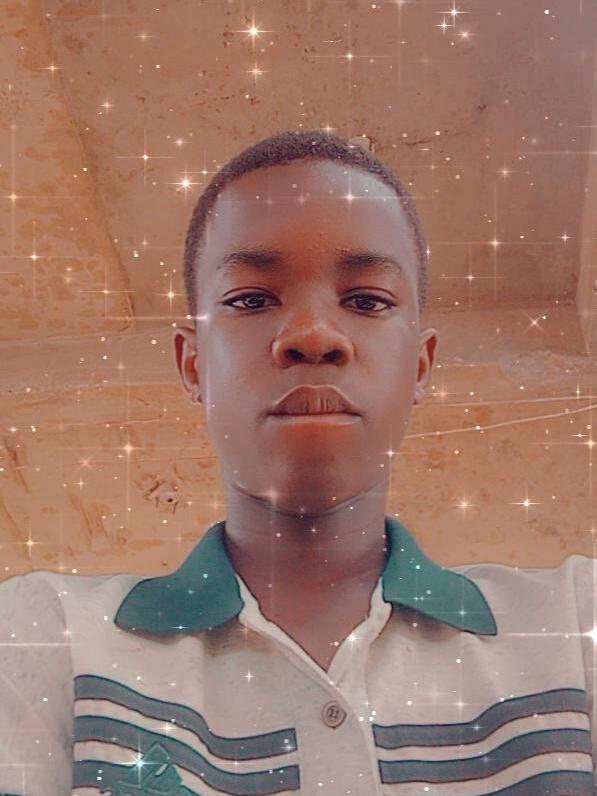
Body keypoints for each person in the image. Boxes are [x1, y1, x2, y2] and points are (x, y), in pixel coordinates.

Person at [0, 129, 595, 796]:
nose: (313, 335)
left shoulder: (573, 625)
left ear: (420, 365)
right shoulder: (45, 638)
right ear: (193, 364)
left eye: (367, 301)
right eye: (251, 299)